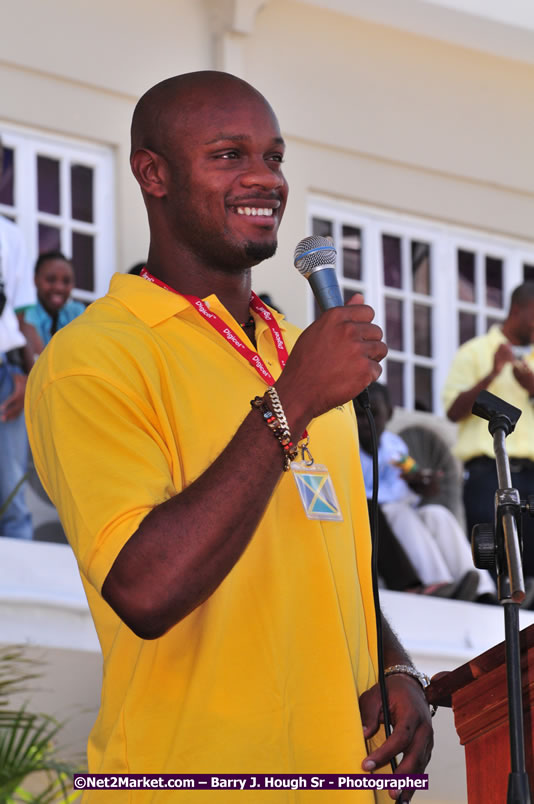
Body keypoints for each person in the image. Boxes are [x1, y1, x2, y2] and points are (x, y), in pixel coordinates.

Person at [25, 71, 433, 801]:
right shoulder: (93, 359)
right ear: (153, 174)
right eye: (227, 155)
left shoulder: (297, 347)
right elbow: (144, 588)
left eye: (273, 157)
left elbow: (323, 549)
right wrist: (293, 401)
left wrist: (391, 663)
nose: (262, 178)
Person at [356, 383, 496, 603]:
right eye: (358, 416)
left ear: (390, 414)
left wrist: (419, 486)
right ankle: (437, 583)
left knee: (435, 512)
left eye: (374, 414)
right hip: (373, 519)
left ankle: (484, 592)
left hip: (399, 512)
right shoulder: (349, 446)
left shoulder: (395, 446)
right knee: (396, 511)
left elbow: (402, 491)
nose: (366, 423)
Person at [442, 283, 534, 578]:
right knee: (494, 560)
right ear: (517, 309)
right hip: (487, 474)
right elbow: (454, 412)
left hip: (532, 476)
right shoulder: (475, 351)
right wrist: (492, 373)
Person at [0, 138, 41, 539]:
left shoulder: (9, 236)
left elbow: (22, 317)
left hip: (4, 375)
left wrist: (29, 374)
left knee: (10, 496)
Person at [23, 251, 85, 346]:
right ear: (35, 279)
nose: (59, 287)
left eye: (66, 281)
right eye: (50, 279)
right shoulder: (26, 314)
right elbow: (37, 359)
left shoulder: (77, 313)